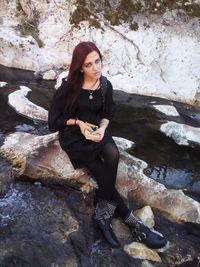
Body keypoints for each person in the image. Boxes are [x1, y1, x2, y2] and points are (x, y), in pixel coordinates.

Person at [48, 41, 167, 249]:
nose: (96, 68)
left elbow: (106, 113)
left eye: (97, 61)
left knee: (112, 153)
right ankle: (131, 223)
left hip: (96, 131)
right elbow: (53, 122)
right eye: (89, 64)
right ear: (80, 67)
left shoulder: (105, 85)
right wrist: (78, 122)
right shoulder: (68, 88)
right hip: (75, 137)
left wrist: (102, 128)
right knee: (101, 170)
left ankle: (102, 218)